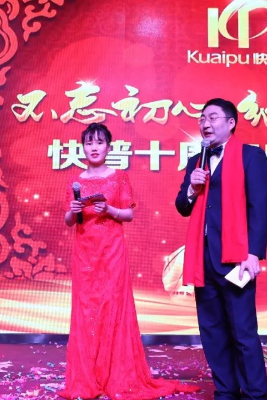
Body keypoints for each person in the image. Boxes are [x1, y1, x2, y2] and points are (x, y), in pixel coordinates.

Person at [59, 123, 199, 400]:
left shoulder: (119, 177)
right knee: (87, 311)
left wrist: (108, 209)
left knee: (113, 308)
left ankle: (116, 375)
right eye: (89, 143)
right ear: (82, 148)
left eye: (99, 142)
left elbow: (128, 215)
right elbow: (68, 221)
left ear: (109, 147)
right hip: (84, 255)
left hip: (112, 252)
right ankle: (89, 378)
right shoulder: (75, 180)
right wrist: (73, 211)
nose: (94, 148)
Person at [175, 98, 267, 400]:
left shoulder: (251, 156)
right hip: (202, 258)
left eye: (213, 117)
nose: (205, 123)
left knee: (243, 331)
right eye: (202, 118)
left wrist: (254, 253)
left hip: (236, 257)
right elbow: (182, 206)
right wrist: (191, 189)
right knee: (212, 331)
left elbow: (260, 207)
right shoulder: (196, 161)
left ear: (230, 123)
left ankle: (255, 394)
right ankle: (226, 391)